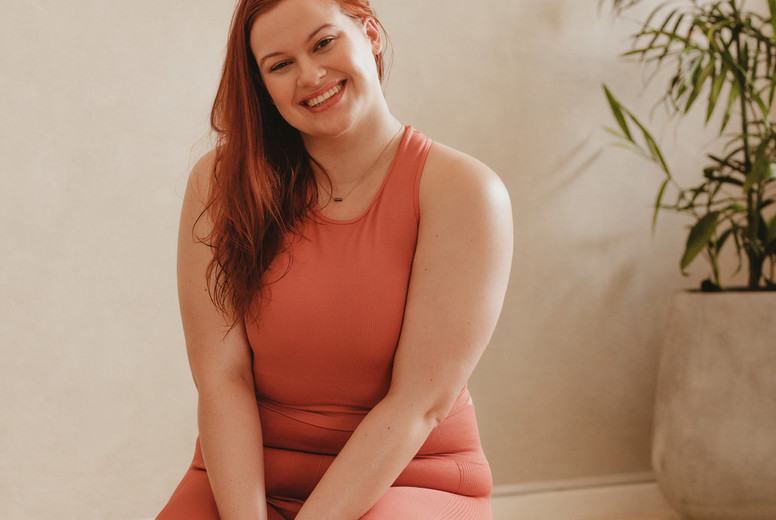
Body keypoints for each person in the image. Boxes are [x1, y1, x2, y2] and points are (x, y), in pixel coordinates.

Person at [156, 0, 512, 518]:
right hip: (249, 476)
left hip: (411, 475)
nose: (311, 75)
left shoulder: (465, 191)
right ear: (262, 85)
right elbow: (221, 378)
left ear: (370, 34)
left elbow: (420, 403)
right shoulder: (219, 183)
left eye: (324, 43)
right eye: (280, 65)